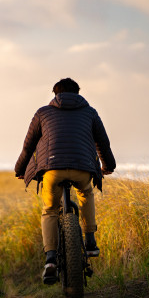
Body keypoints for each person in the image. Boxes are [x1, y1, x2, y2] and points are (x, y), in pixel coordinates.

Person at [14, 78, 116, 284]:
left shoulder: (42, 113)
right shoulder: (91, 112)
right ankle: (90, 241)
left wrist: (20, 170)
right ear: (78, 93)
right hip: (83, 167)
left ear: (55, 95)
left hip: (53, 169)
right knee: (86, 193)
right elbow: (103, 143)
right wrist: (109, 166)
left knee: (50, 210)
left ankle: (50, 260)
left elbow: (28, 146)